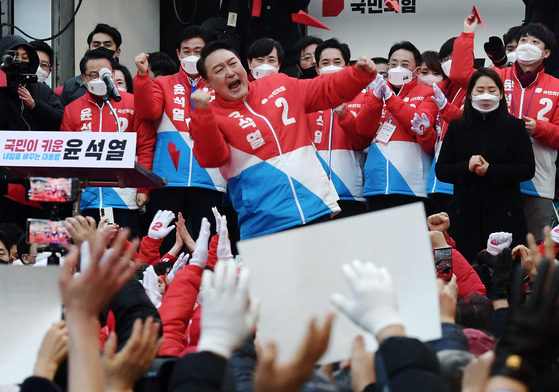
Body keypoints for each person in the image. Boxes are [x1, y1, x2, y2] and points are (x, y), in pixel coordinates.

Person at [189, 40, 377, 239]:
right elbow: (212, 158)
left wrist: (357, 75)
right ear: (207, 82)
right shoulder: (208, 116)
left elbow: (325, 88)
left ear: (243, 65)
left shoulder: (279, 84)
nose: (230, 72)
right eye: (219, 70)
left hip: (314, 206)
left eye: (232, 63)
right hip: (263, 223)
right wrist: (202, 114)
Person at [451, 13, 559, 242]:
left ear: (546, 53)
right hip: (493, 174)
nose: (526, 46)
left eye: (535, 42)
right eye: (523, 41)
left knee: (533, 247)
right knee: (494, 247)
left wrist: (538, 128)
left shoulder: (556, 87)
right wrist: (468, 34)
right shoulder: (497, 76)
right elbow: (461, 75)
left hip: (537, 180)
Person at [134, 25, 226, 249]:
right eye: (186, 51)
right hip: (168, 179)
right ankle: (165, 282)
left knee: (209, 243)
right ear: (178, 54)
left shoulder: (220, 85)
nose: (192, 56)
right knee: (165, 245)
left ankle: (206, 283)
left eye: (198, 50)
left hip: (211, 180)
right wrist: (143, 76)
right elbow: (148, 112)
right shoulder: (162, 83)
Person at [436, 68, 535, 263]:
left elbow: (527, 168)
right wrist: (467, 167)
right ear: (470, 94)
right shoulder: (457, 127)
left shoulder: (514, 127)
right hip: (465, 212)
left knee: (506, 273)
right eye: (480, 90)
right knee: (467, 269)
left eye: (492, 89)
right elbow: (442, 170)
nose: (486, 95)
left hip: (504, 211)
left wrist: (491, 170)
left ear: (501, 94)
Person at [61, 50, 156, 237]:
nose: (99, 79)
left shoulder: (133, 103)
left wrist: (144, 188)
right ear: (84, 78)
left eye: (104, 74)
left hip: (125, 196)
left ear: (113, 73)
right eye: (92, 75)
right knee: (88, 256)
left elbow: (146, 145)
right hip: (86, 198)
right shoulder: (72, 109)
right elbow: (66, 155)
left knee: (126, 254)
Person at [352, 41, 437, 212]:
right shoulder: (374, 93)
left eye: (405, 64)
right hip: (377, 184)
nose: (398, 68)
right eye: (393, 64)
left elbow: (419, 125)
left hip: (412, 186)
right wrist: (376, 99)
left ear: (417, 70)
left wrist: (391, 100)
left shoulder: (427, 93)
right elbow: (363, 130)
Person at [307, 38, 370, 218]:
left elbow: (363, 142)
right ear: (317, 69)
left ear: (347, 66)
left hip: (349, 190)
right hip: (313, 191)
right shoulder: (305, 99)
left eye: (337, 62)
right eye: (325, 63)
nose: (331, 67)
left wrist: (344, 114)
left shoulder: (363, 97)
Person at [58, 23, 122, 105]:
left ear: (118, 52)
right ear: (89, 51)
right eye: (96, 45)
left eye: (107, 45)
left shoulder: (124, 80)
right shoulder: (72, 86)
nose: (101, 48)